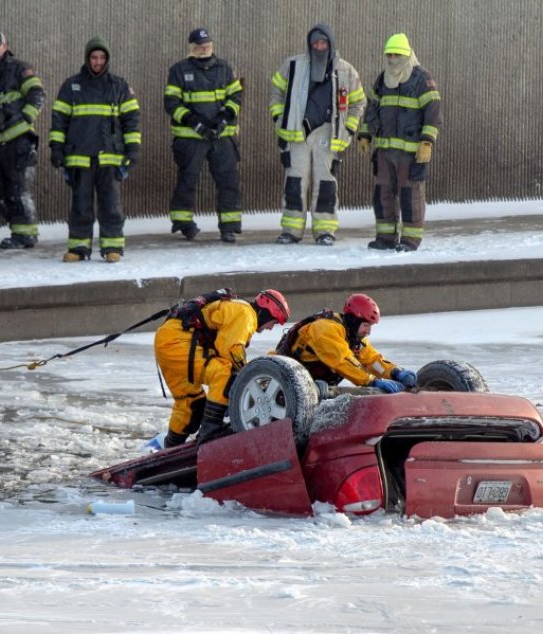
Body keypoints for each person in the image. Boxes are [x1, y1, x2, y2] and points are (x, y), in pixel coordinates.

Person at [156, 289, 291, 448]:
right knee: (225, 373)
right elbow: (229, 348)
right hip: (178, 342)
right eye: (274, 322)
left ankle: (169, 449)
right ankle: (209, 434)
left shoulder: (238, 309)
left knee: (191, 404)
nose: (270, 328)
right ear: (268, 313)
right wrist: (248, 375)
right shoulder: (246, 313)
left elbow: (224, 346)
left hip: (167, 340)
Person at [269, 23, 365, 246]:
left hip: (328, 135)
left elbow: (358, 103)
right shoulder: (293, 66)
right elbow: (276, 95)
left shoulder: (346, 71)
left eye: (323, 43)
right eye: (315, 43)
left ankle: (325, 231)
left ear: (330, 44)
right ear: (309, 44)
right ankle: (291, 230)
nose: (319, 47)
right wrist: (280, 120)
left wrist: (348, 130)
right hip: (296, 133)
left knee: (325, 184)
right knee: (294, 183)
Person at [49, 36, 140, 263]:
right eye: (94, 57)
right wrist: (57, 149)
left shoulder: (119, 86)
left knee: (111, 205)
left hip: (110, 158)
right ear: (87, 59)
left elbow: (131, 121)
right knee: (80, 205)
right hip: (79, 158)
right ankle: (79, 247)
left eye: (101, 58)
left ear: (107, 59)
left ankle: (112, 248)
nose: (97, 62)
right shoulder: (71, 86)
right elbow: (59, 121)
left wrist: (133, 151)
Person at [358, 33, 442, 252]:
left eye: (398, 54)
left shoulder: (421, 79)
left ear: (408, 55)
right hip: (385, 152)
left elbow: (433, 112)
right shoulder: (382, 79)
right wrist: (365, 134)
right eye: (390, 54)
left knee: (410, 195)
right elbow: (372, 109)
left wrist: (427, 142)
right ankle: (385, 237)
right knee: (383, 194)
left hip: (411, 153)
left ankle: (410, 240)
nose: (393, 59)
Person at [164, 28, 244, 243]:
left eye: (207, 46)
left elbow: (236, 95)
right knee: (188, 180)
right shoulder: (179, 70)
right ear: (191, 48)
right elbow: (171, 102)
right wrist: (193, 121)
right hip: (190, 137)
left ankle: (229, 226)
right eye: (199, 47)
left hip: (221, 136)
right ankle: (183, 223)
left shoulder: (225, 68)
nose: (203, 50)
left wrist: (225, 117)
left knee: (228, 180)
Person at [0, 30, 46, 250]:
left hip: (18, 141)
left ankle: (26, 235)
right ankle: (18, 227)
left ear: (6, 46)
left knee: (18, 190)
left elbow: (37, 94)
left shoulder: (19, 69)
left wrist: (22, 118)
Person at [277, 293, 417, 393]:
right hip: (283, 382)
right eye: (366, 326)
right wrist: (371, 381)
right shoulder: (325, 329)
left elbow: (372, 361)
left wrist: (396, 373)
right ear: (354, 320)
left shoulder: (353, 336)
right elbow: (342, 360)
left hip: (311, 385)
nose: (368, 332)